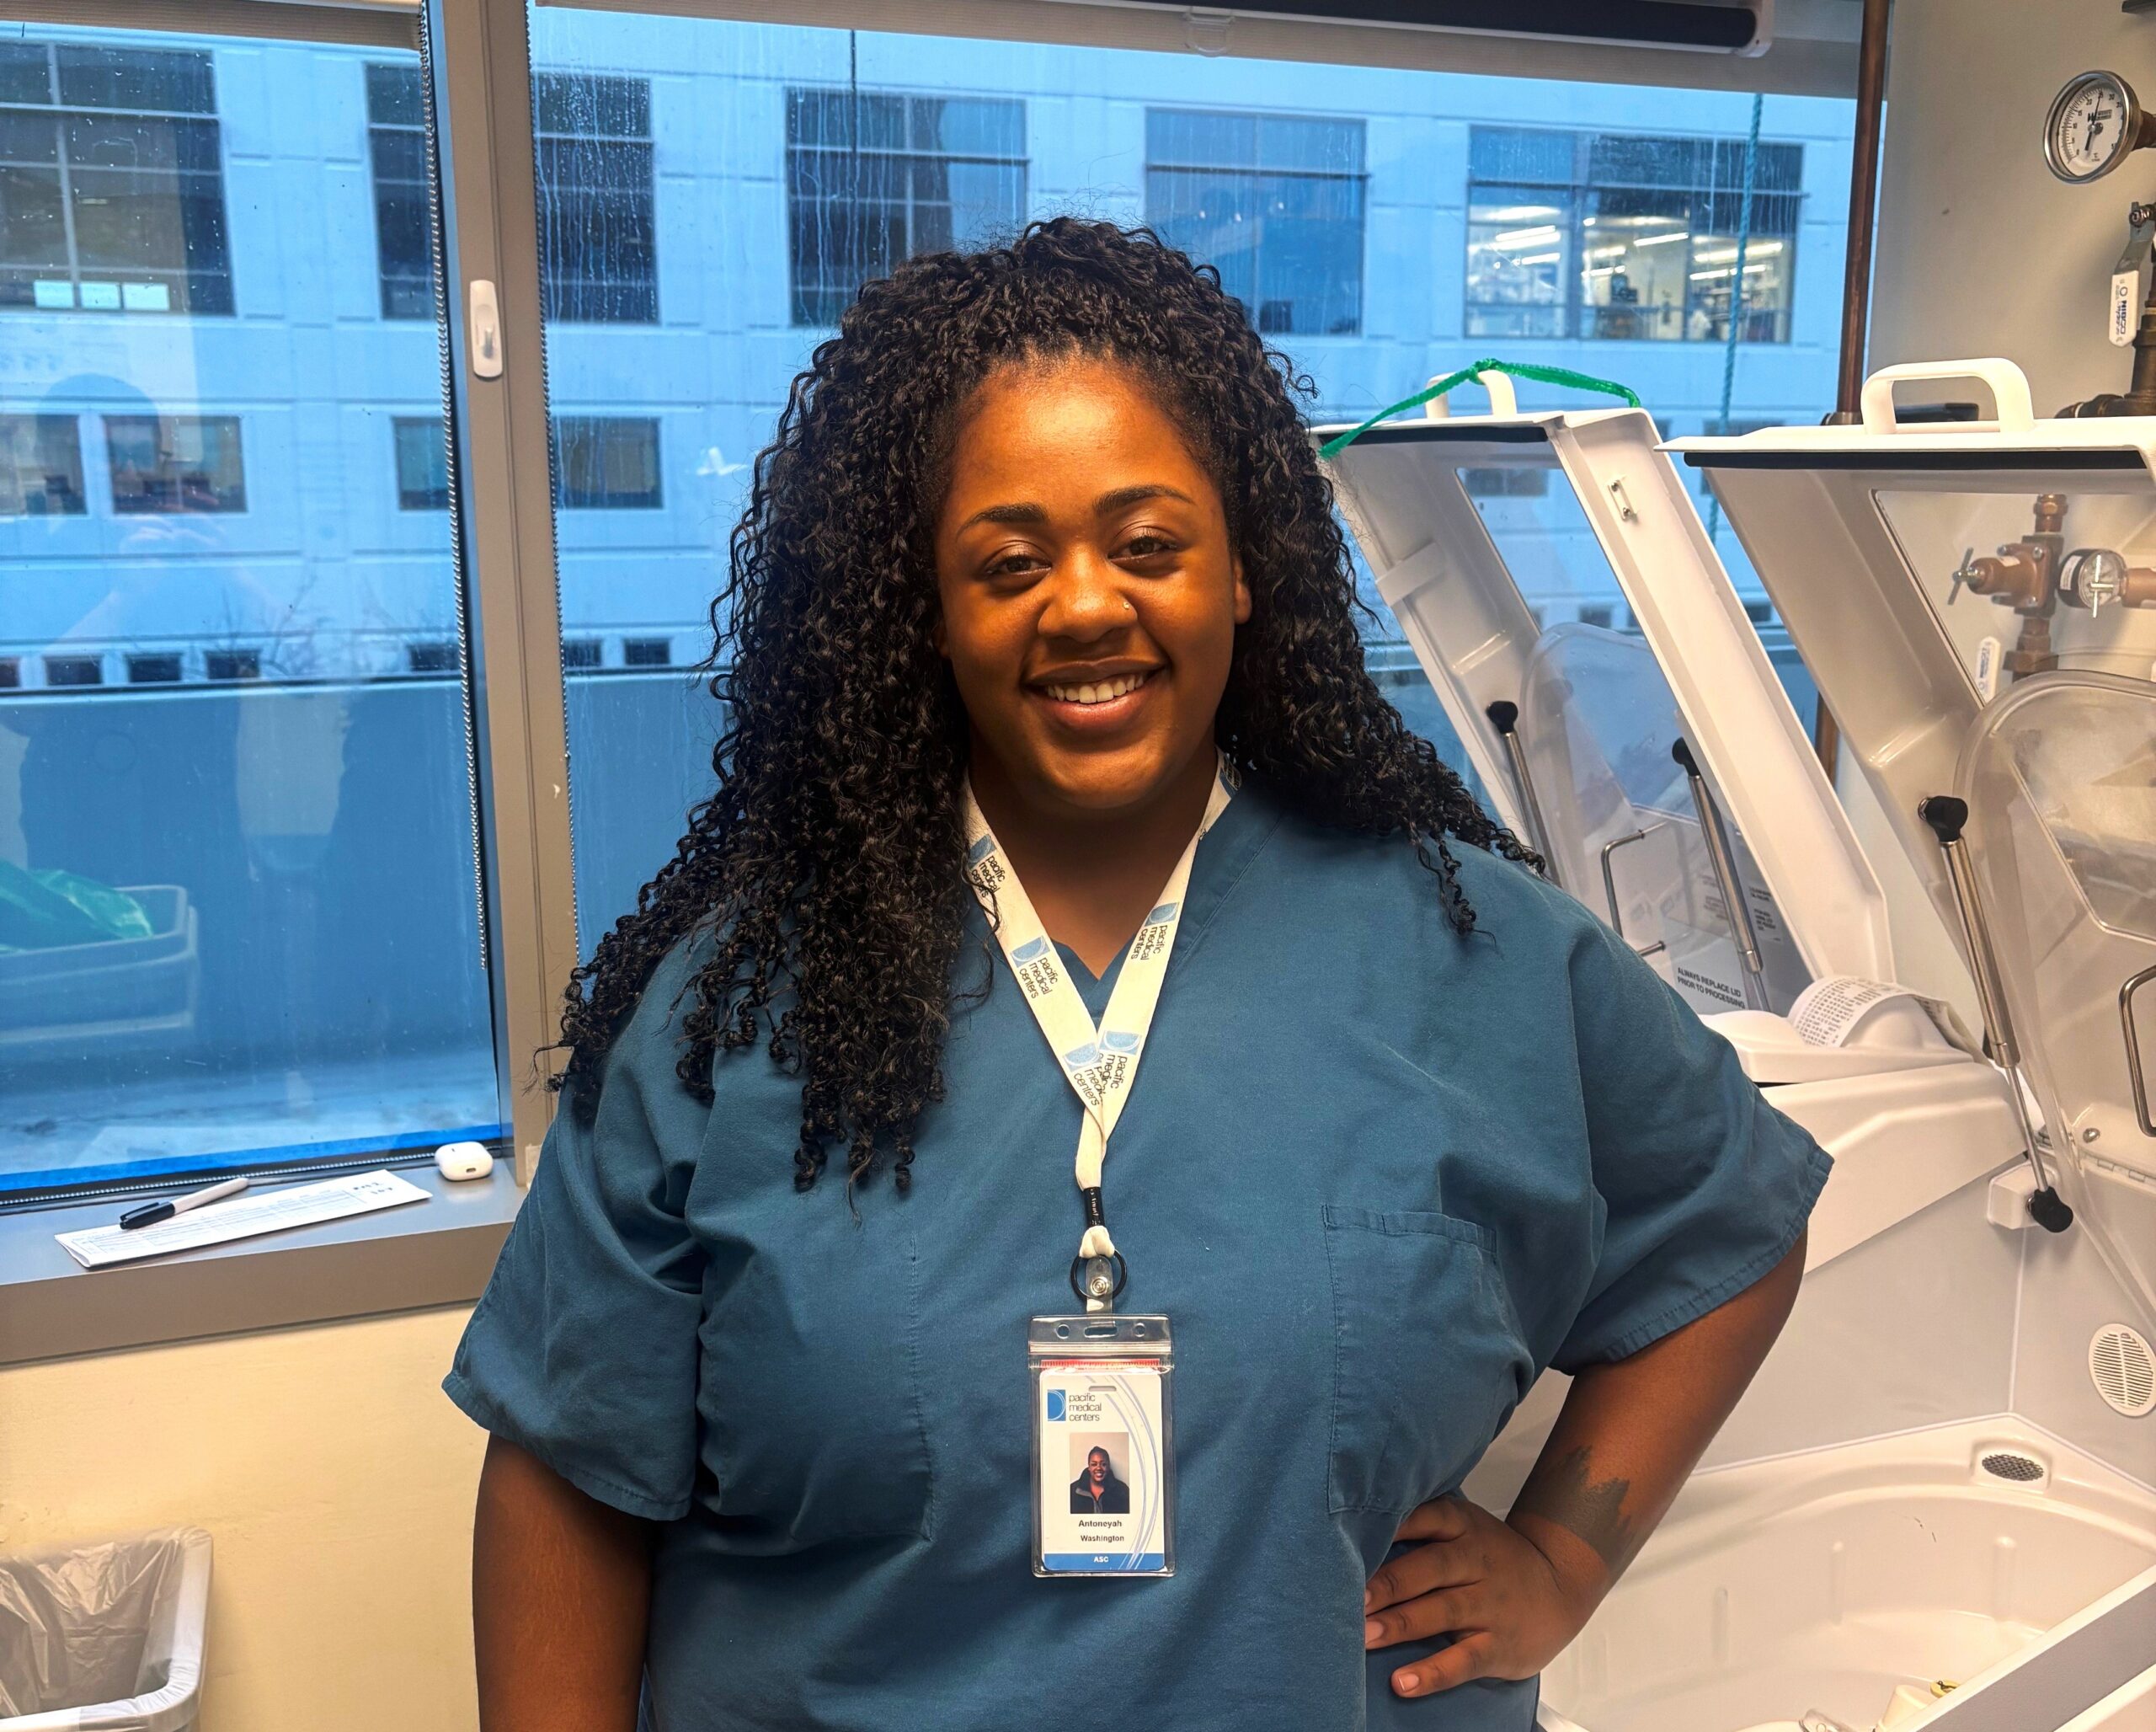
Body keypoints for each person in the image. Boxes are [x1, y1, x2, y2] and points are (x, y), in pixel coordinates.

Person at [446, 218, 1827, 1729]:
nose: (1089, 604)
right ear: (928, 613)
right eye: (1009, 562)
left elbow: (1734, 1229)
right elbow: (569, 1474)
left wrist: (1564, 1557)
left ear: (1243, 572)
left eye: (1149, 544)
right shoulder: (738, 1009)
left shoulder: (1476, 949)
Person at [1071, 1446, 1132, 1516]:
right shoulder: (1072, 1490)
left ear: (1108, 1466)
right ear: (1089, 1467)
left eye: (1103, 1464)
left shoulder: (1122, 1490)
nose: (1099, 1468)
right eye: (1094, 1464)